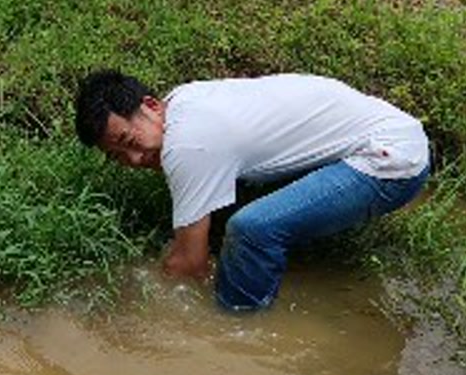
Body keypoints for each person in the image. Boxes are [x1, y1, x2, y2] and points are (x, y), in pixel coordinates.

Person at [74, 70, 430, 311]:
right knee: (237, 216)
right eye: (118, 156)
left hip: (390, 160)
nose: (135, 159)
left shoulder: (188, 144)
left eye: (130, 140)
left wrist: (140, 297)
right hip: (385, 130)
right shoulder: (185, 101)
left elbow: (189, 265)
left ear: (151, 106)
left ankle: (239, 326)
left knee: (251, 230)